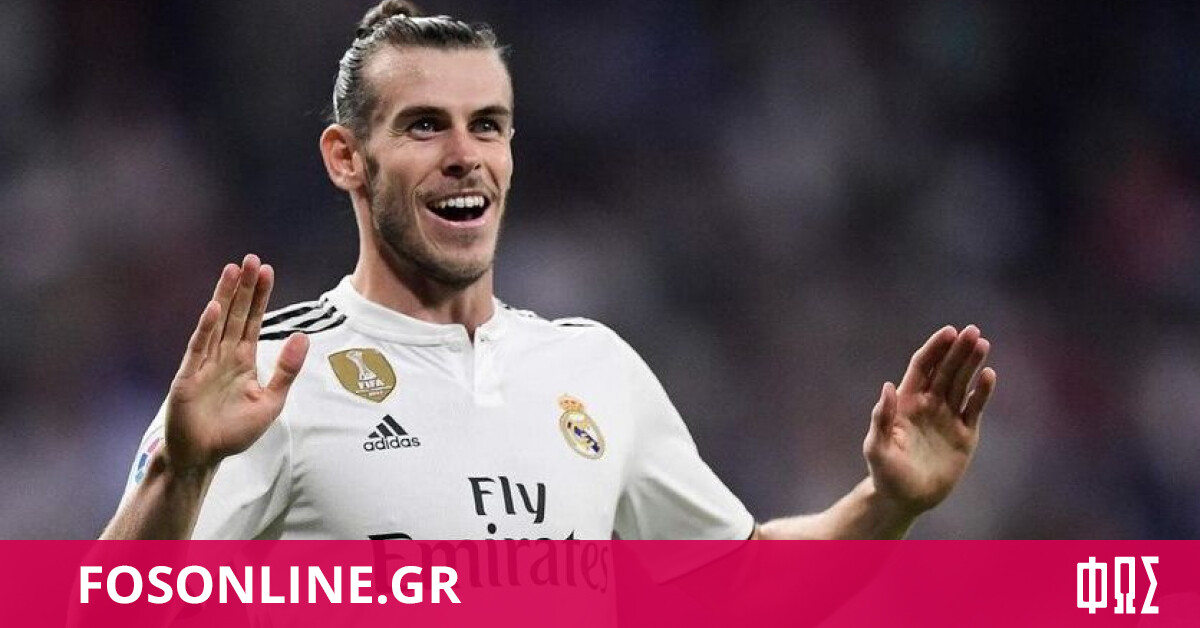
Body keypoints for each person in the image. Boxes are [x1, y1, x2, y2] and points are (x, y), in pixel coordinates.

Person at [103, 0, 996, 541]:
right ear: (347, 158)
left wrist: (887, 502)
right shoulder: (274, 376)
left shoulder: (595, 369)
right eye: (424, 126)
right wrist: (180, 471)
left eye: (487, 125)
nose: (465, 154)